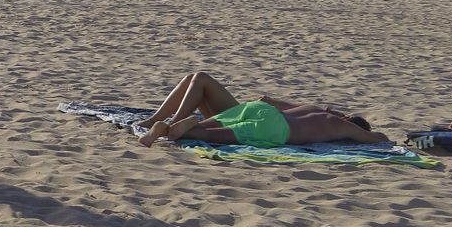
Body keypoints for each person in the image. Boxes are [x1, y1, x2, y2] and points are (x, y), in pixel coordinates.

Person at [137, 71, 389, 148]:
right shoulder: (338, 127)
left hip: (261, 111)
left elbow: (266, 99)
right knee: (208, 135)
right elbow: (378, 139)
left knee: (211, 121)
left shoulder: (313, 108)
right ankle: (171, 129)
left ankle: (163, 121)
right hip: (275, 128)